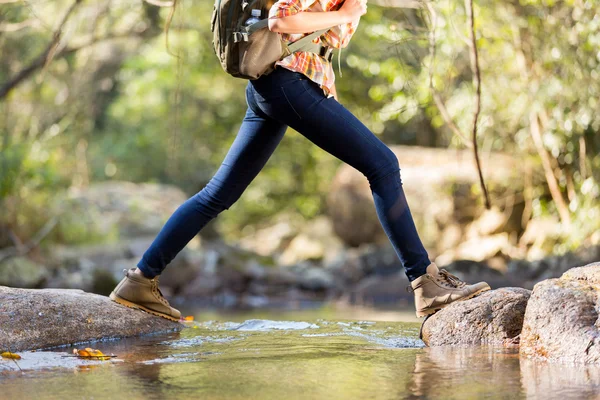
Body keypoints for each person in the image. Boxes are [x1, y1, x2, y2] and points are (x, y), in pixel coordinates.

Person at [109, 0, 490, 321]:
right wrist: (344, 14)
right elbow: (281, 18)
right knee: (384, 165)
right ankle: (426, 285)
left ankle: (139, 281)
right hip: (289, 82)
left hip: (273, 86)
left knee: (216, 195)